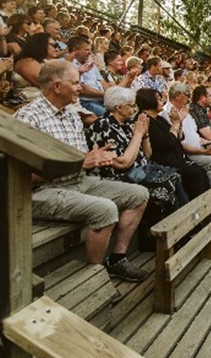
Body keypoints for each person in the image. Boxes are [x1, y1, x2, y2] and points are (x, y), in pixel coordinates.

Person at [14, 59, 150, 282]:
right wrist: (81, 163)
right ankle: (94, 278)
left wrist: (96, 158)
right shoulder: (28, 117)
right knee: (105, 210)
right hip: (41, 191)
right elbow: (21, 174)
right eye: (76, 82)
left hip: (78, 181)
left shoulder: (71, 114)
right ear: (57, 86)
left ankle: (117, 260)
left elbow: (83, 160)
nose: (81, 87)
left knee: (139, 194)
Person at [85, 87, 188, 234]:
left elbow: (147, 155)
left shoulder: (127, 124)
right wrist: (138, 134)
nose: (135, 109)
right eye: (132, 106)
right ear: (118, 107)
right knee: (165, 184)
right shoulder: (103, 125)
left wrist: (145, 136)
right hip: (116, 176)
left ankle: (184, 226)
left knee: (175, 176)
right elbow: (123, 163)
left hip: (139, 169)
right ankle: (171, 233)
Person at [135, 87, 210, 200]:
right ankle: (197, 210)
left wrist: (179, 121)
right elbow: (166, 144)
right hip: (163, 162)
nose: (163, 102)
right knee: (196, 174)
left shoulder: (158, 118)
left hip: (176, 157)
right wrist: (175, 124)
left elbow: (179, 137)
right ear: (149, 101)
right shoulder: (144, 119)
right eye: (159, 99)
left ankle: (206, 207)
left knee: (201, 172)